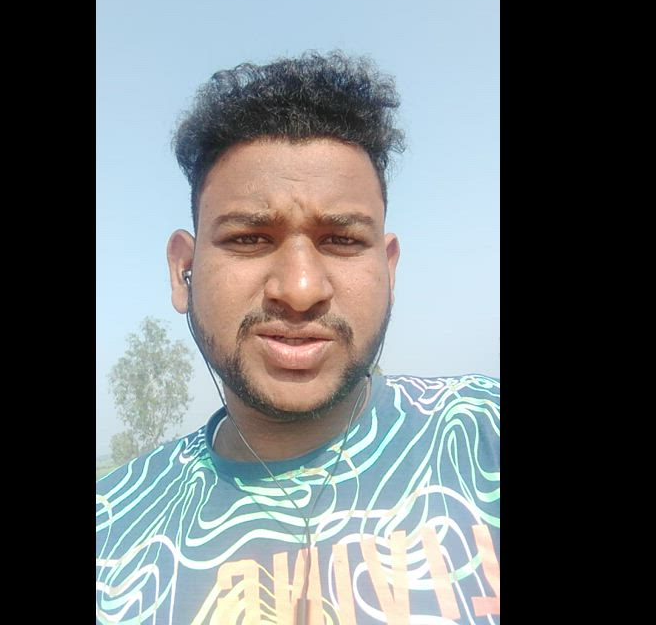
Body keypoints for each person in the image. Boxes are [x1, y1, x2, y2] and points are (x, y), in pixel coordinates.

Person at [95, 52, 500, 624]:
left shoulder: (482, 437)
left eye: (341, 240)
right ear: (182, 270)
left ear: (388, 270)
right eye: (249, 238)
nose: (301, 290)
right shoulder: (114, 531)